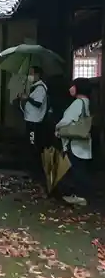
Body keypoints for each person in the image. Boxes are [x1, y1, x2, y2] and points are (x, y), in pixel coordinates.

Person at [55, 77, 92, 206]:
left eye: (73, 85)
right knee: (80, 168)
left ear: (78, 88)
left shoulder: (78, 103)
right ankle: (81, 194)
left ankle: (78, 196)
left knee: (75, 169)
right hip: (83, 142)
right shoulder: (87, 101)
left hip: (74, 142)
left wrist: (57, 127)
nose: (70, 88)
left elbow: (67, 120)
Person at [19, 66, 49, 181]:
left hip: (35, 121)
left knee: (33, 145)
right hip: (30, 119)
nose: (30, 76)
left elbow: (38, 103)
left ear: (37, 75)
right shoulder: (35, 87)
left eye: (31, 73)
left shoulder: (41, 88)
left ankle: (36, 172)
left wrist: (27, 98)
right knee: (30, 145)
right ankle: (32, 170)